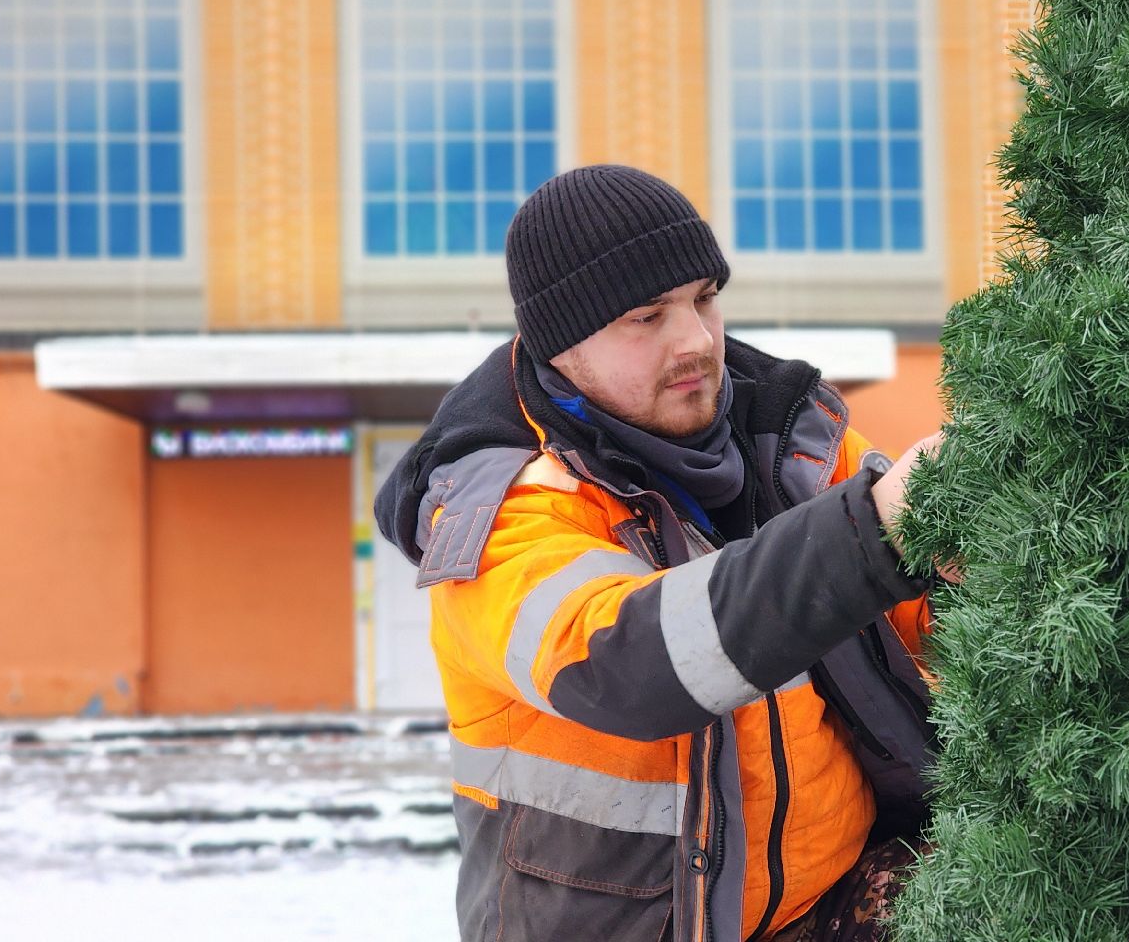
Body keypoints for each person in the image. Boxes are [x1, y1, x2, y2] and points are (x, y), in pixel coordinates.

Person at [375, 164, 941, 942]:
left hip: (828, 909)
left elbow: (931, 622)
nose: (696, 341)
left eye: (705, 298)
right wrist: (875, 532)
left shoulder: (796, 445)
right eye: (647, 316)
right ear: (561, 344)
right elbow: (631, 664)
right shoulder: (497, 511)